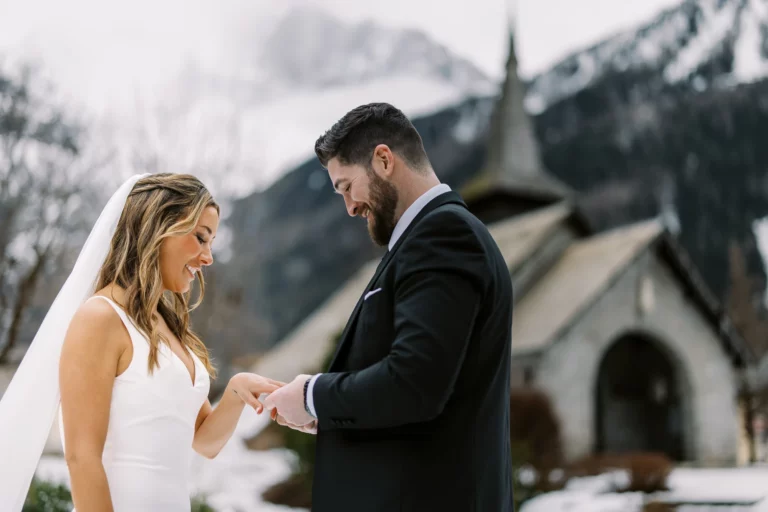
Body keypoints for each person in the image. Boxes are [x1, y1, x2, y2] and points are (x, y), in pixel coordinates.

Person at [265, 103, 515, 511]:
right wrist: (326, 415)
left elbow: (415, 382)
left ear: (383, 160)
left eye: (347, 186)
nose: (349, 207)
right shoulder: (428, 238)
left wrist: (314, 396)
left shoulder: (443, 235)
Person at [0, 173, 281, 512]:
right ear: (158, 229)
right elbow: (82, 457)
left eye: (212, 243)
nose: (208, 257)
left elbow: (204, 442)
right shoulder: (100, 319)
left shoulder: (168, 325)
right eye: (200, 238)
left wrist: (237, 391)